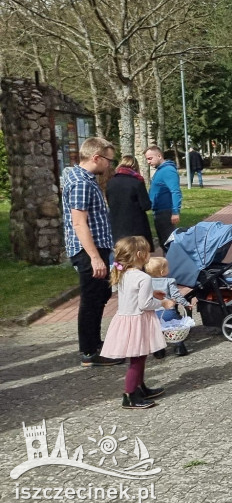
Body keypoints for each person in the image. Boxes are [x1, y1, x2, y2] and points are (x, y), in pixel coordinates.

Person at [62, 136, 122, 367]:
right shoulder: (81, 182)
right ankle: (89, 351)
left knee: (100, 296)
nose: (110, 165)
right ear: (96, 158)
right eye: (108, 160)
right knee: (92, 299)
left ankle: (94, 343)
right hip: (89, 251)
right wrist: (95, 257)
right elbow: (79, 223)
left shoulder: (85, 179)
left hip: (97, 249)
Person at [101, 236, 174, 409]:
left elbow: (129, 294)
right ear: (140, 254)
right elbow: (145, 304)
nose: (150, 254)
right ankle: (130, 395)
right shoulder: (143, 277)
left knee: (140, 356)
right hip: (138, 320)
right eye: (148, 251)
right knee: (137, 359)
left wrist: (152, 293)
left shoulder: (122, 271)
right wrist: (163, 303)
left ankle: (141, 387)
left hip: (125, 319)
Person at [145, 257, 191, 357]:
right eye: (167, 268)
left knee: (156, 331)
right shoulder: (169, 281)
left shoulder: (147, 282)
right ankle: (179, 347)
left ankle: (159, 351)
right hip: (168, 310)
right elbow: (176, 296)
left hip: (153, 311)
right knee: (175, 328)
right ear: (162, 271)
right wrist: (186, 303)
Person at [106, 155, 154, 252]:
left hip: (116, 223)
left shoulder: (111, 182)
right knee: (138, 252)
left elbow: (109, 201)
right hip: (135, 224)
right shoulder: (137, 182)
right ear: (135, 166)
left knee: (122, 252)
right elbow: (146, 205)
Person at [144, 145, 182, 250]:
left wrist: (175, 212)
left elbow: (175, 191)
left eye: (150, 158)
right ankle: (168, 264)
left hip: (166, 212)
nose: (148, 162)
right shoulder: (160, 170)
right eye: (147, 159)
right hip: (159, 211)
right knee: (164, 243)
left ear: (159, 156)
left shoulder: (168, 170)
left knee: (168, 243)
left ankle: (172, 265)